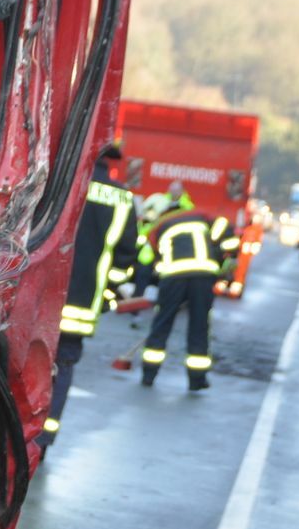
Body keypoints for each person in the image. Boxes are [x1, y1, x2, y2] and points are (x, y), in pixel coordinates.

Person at [40, 143, 138, 451]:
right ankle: (45, 436)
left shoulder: (64, 181)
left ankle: (18, 432)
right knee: (63, 366)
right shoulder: (122, 198)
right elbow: (125, 258)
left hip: (43, 296)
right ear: (110, 163)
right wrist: (107, 294)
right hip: (82, 305)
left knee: (29, 361)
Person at [139, 206, 240, 391]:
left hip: (173, 276)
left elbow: (151, 259)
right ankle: (197, 379)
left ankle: (148, 374)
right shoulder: (199, 215)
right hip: (203, 275)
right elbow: (225, 227)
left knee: (162, 323)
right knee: (199, 325)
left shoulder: (157, 228)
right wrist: (220, 253)